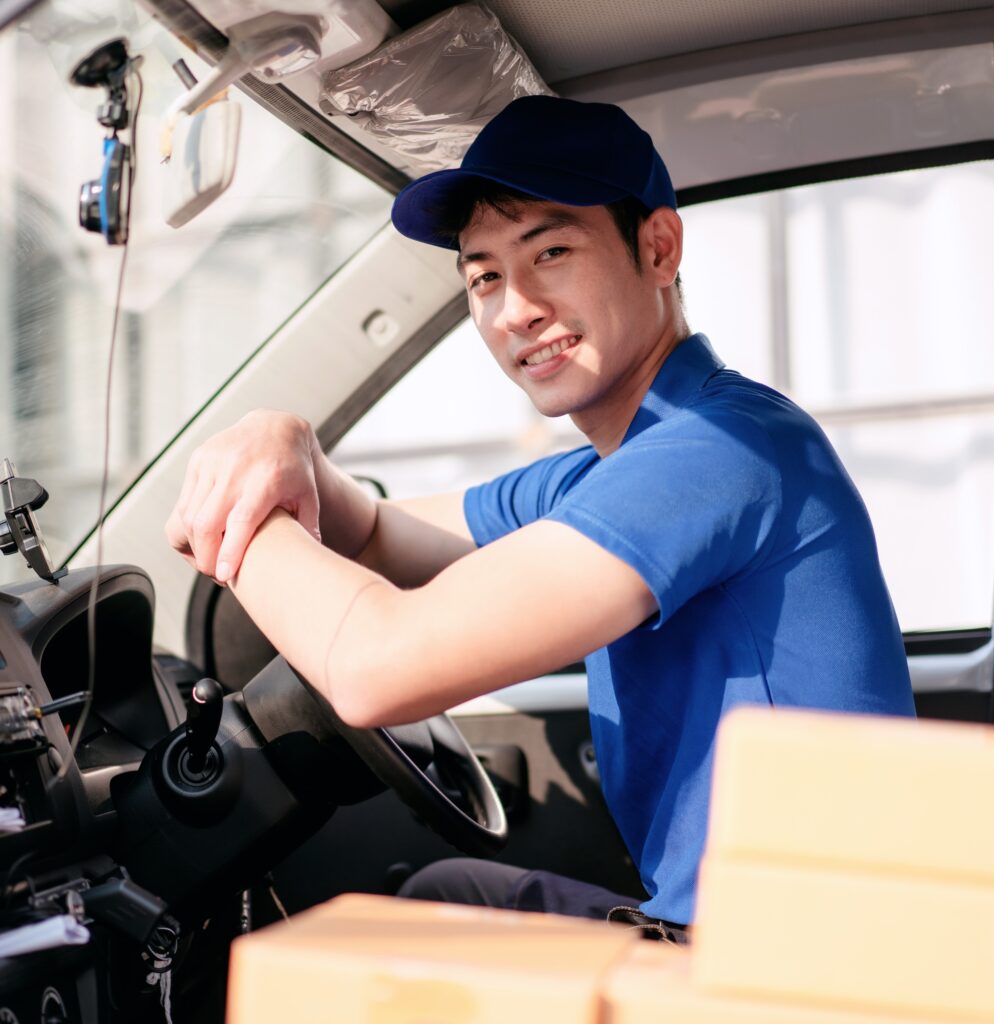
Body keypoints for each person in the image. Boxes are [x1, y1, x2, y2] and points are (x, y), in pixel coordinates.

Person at [165, 95, 915, 935]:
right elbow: (374, 532)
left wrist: (228, 511)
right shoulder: (607, 475)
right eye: (484, 276)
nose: (514, 308)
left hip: (798, 975)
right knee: (446, 900)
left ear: (658, 248)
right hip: (734, 941)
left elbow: (375, 668)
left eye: (551, 251)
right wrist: (284, 439)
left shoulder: (718, 450)